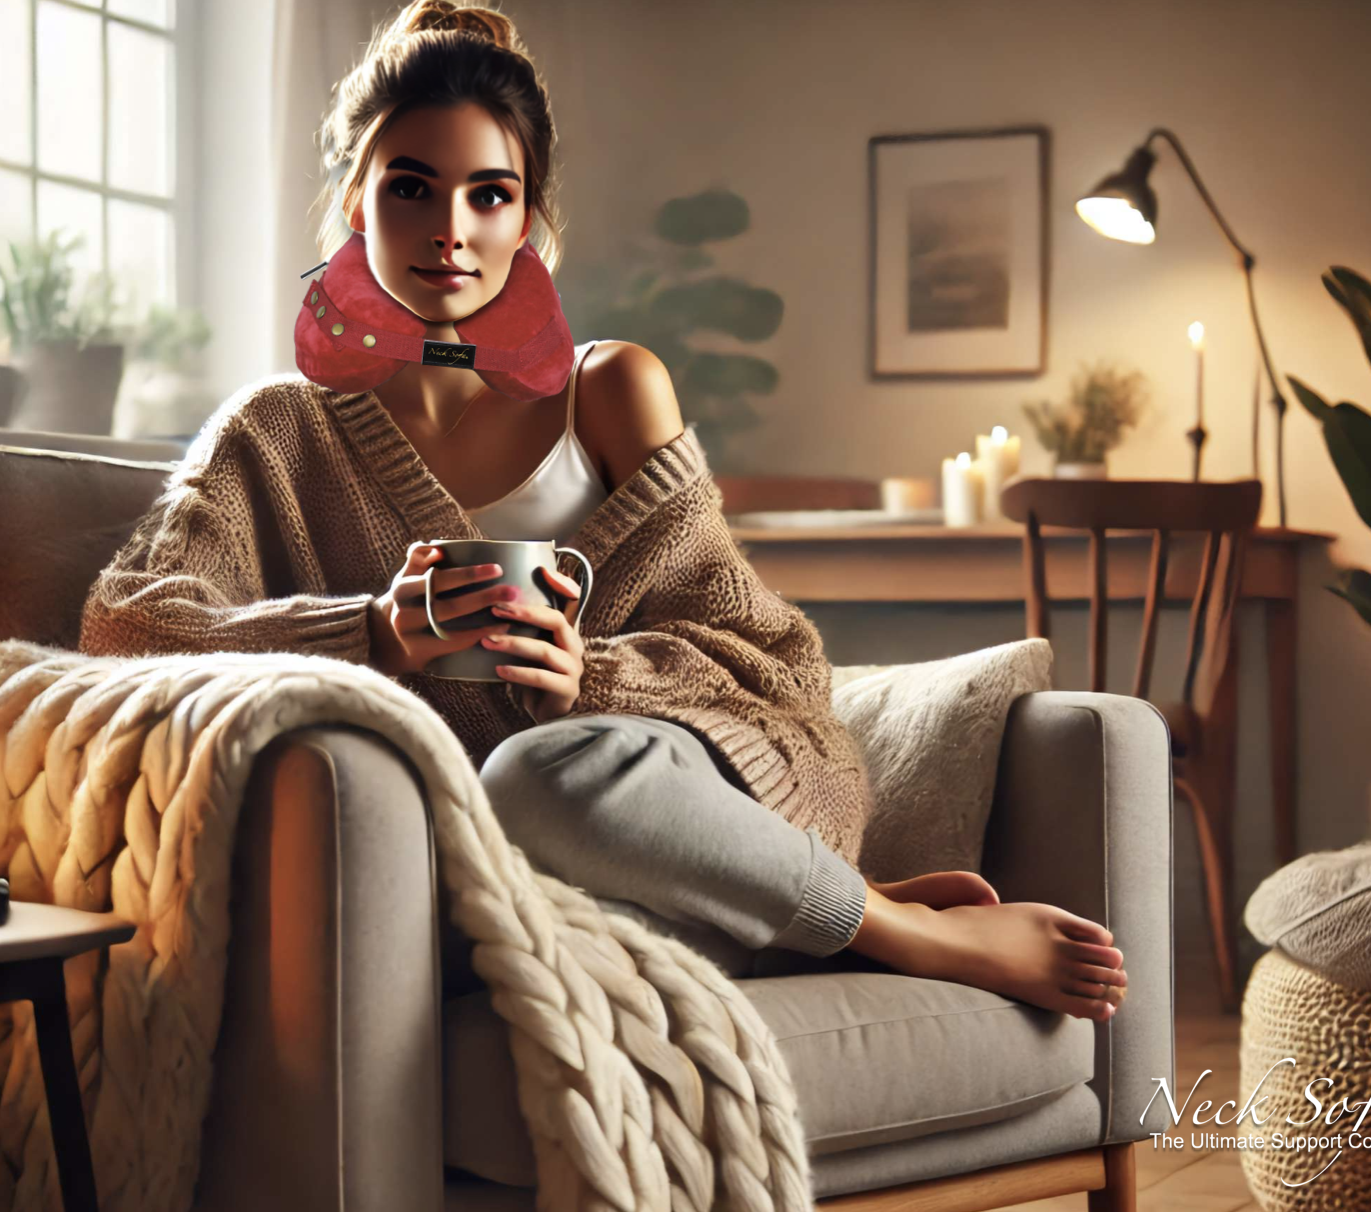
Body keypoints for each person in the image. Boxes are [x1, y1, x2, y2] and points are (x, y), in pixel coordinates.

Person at [80, 0, 1124, 1022]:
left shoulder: (611, 388)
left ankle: (907, 934)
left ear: (529, 219)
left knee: (539, 779)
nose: (451, 231)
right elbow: (123, 631)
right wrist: (369, 634)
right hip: (478, 863)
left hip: (646, 775)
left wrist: (592, 676)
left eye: (490, 195)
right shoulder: (275, 429)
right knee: (490, 861)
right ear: (356, 202)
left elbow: (764, 660)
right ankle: (844, 917)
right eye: (411, 188)